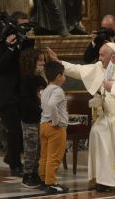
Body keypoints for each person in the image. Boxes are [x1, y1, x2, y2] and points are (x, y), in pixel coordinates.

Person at [48, 43, 115, 192]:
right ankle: (104, 179)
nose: (99, 58)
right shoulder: (99, 67)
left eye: (102, 55)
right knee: (98, 131)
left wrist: (114, 88)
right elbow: (78, 70)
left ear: (113, 57)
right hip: (109, 116)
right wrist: (59, 63)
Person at [0, 11, 34, 177]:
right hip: (4, 94)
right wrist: (10, 47)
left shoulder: (27, 44)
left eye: (27, 26)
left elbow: (28, 65)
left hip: (20, 93)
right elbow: (1, 67)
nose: (25, 30)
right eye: (22, 26)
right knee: (15, 130)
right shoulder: (0, 46)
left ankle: (11, 156)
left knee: (24, 129)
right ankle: (15, 165)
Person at [39, 61, 69, 194]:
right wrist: (56, 122)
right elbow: (52, 105)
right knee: (54, 157)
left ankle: (44, 180)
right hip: (55, 128)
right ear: (58, 76)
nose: (64, 77)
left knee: (44, 156)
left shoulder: (45, 89)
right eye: (63, 75)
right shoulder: (58, 90)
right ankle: (51, 183)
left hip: (44, 125)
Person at [20, 48, 47, 188]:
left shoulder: (40, 79)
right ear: (32, 62)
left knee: (39, 148)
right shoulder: (26, 79)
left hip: (41, 118)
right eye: (40, 60)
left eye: (43, 60)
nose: (42, 63)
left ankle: (35, 172)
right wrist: (38, 110)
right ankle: (27, 174)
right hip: (30, 119)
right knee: (31, 147)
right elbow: (25, 100)